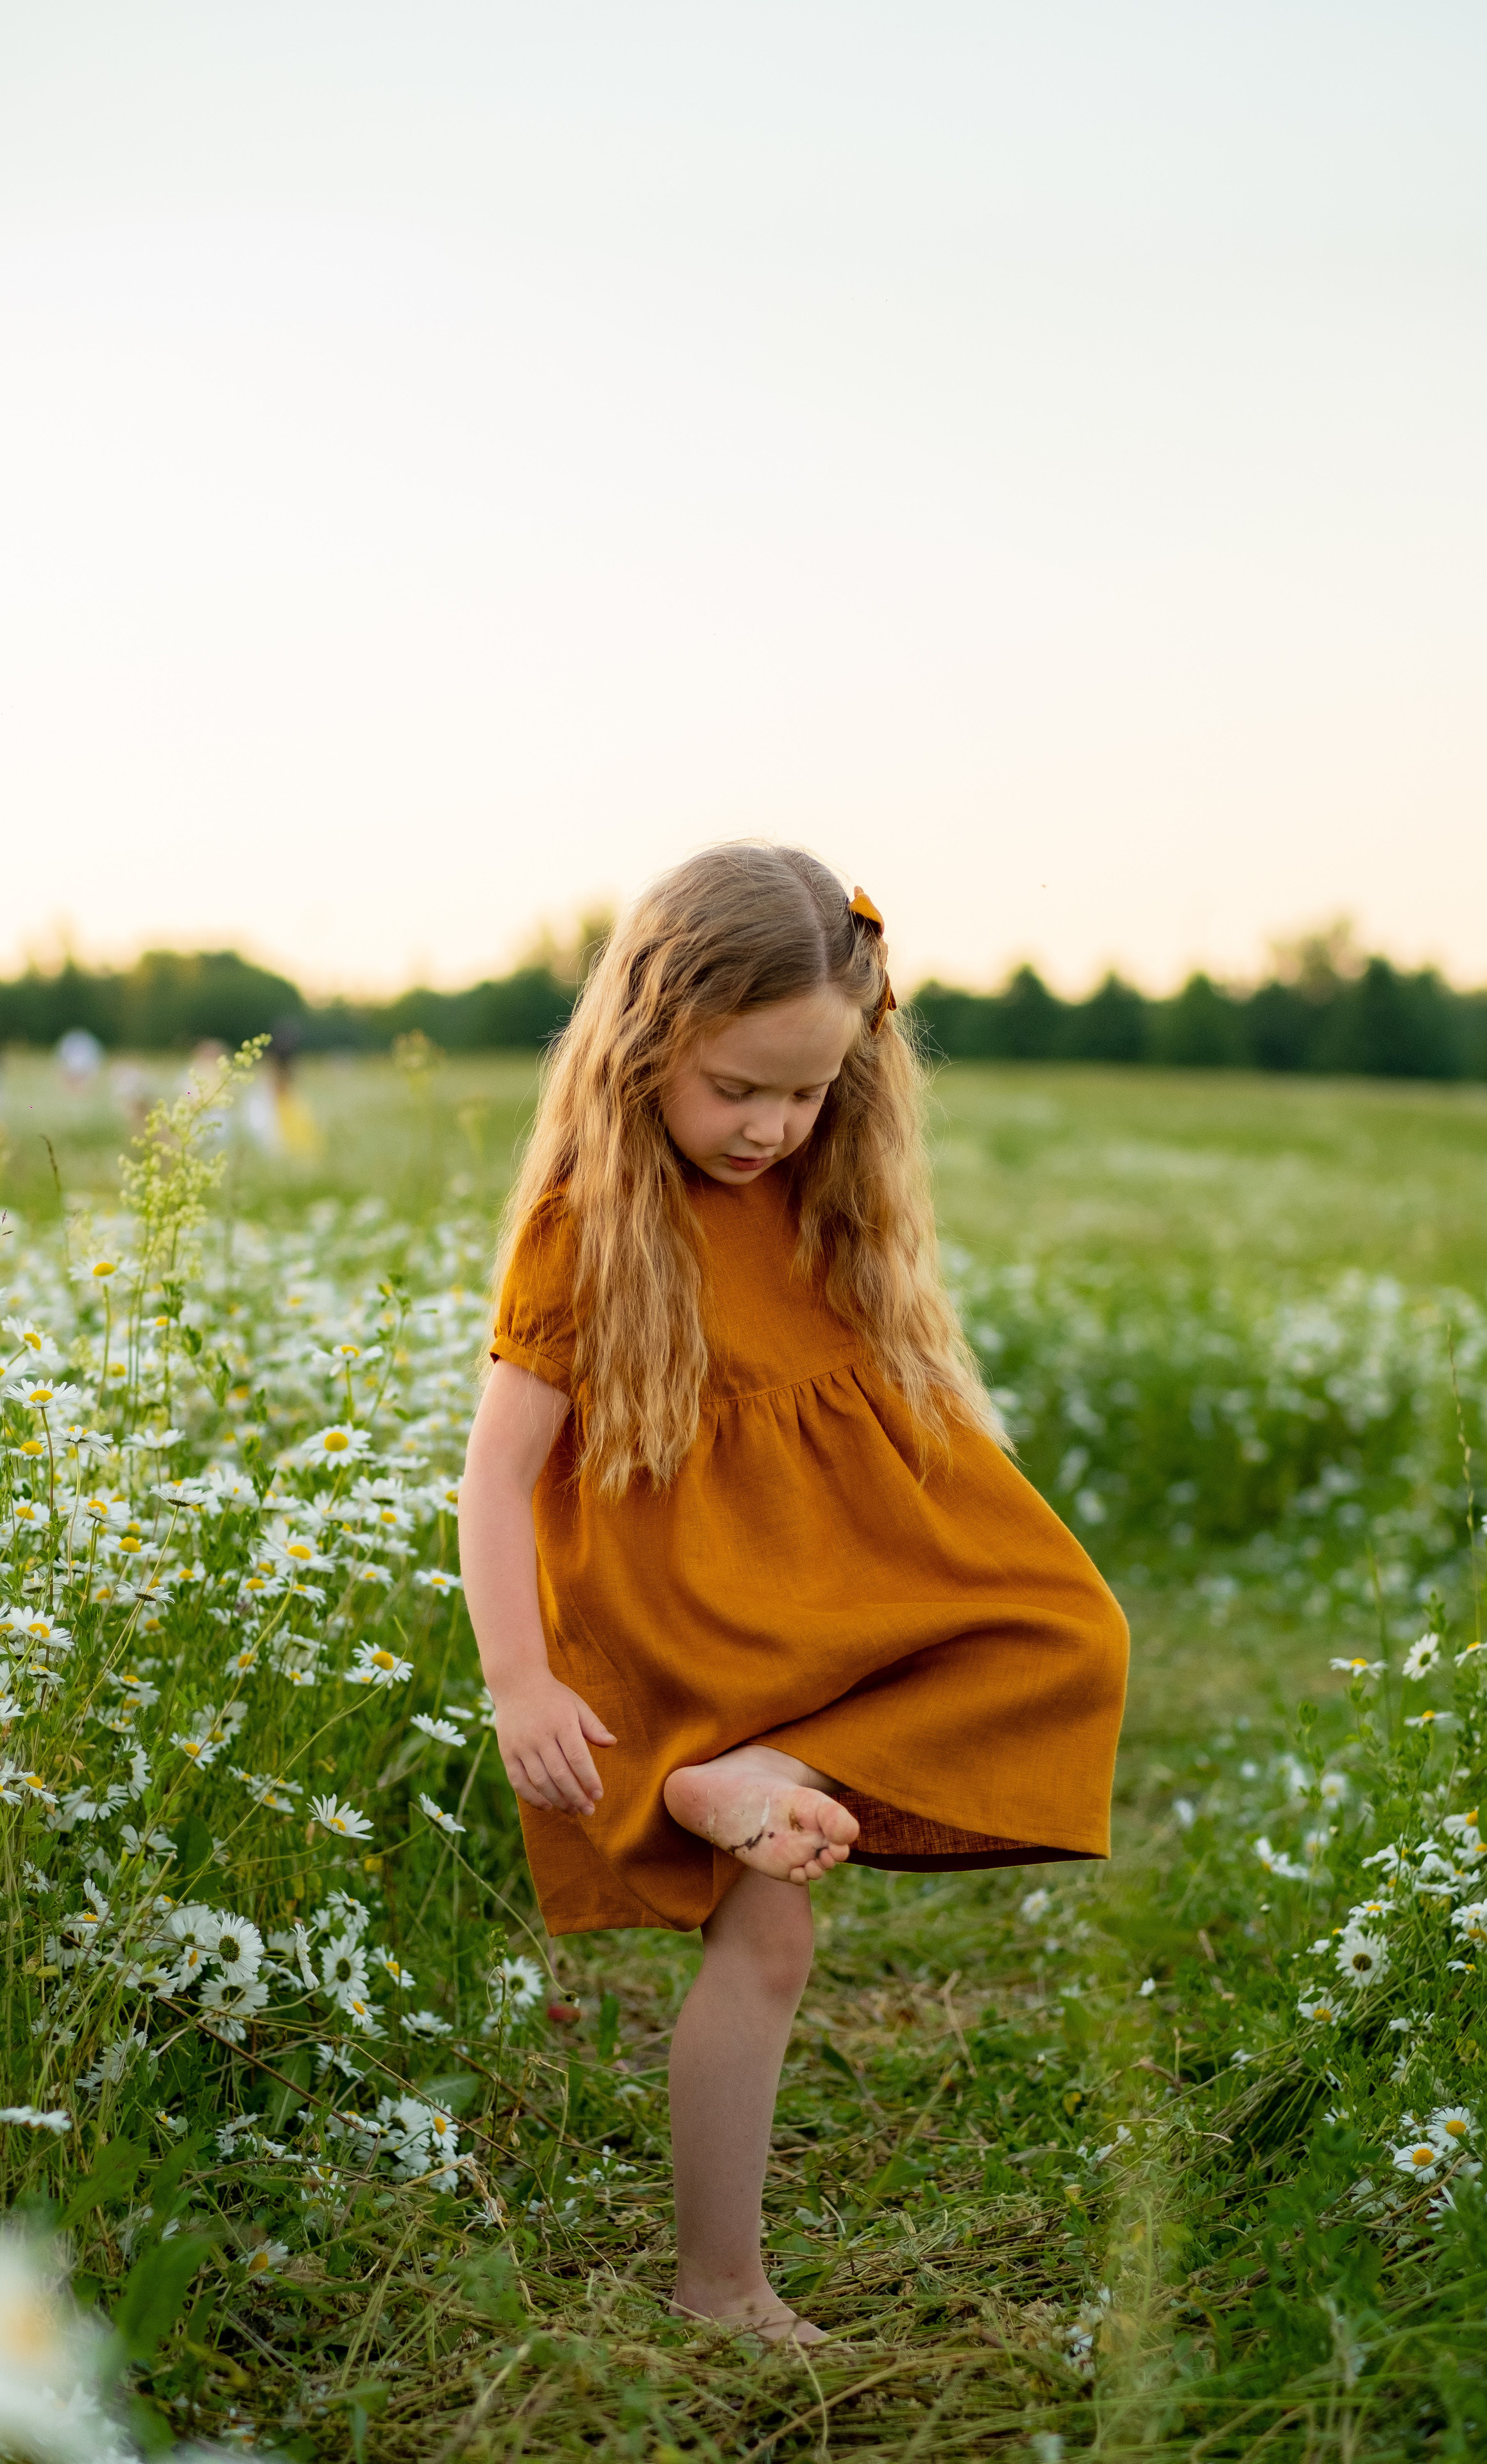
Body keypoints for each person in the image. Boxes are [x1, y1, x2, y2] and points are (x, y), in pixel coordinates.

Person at [458, 843, 1128, 2345]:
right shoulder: (588, 1222)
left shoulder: (830, 1193)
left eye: (809, 1090)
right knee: (766, 1943)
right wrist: (519, 1677)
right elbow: (496, 1473)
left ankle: (761, 1773)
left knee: (1067, 1633)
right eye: (737, 1088)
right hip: (691, 1611)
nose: (771, 1126)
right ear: (647, 1044)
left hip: (824, 1589)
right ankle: (720, 2288)